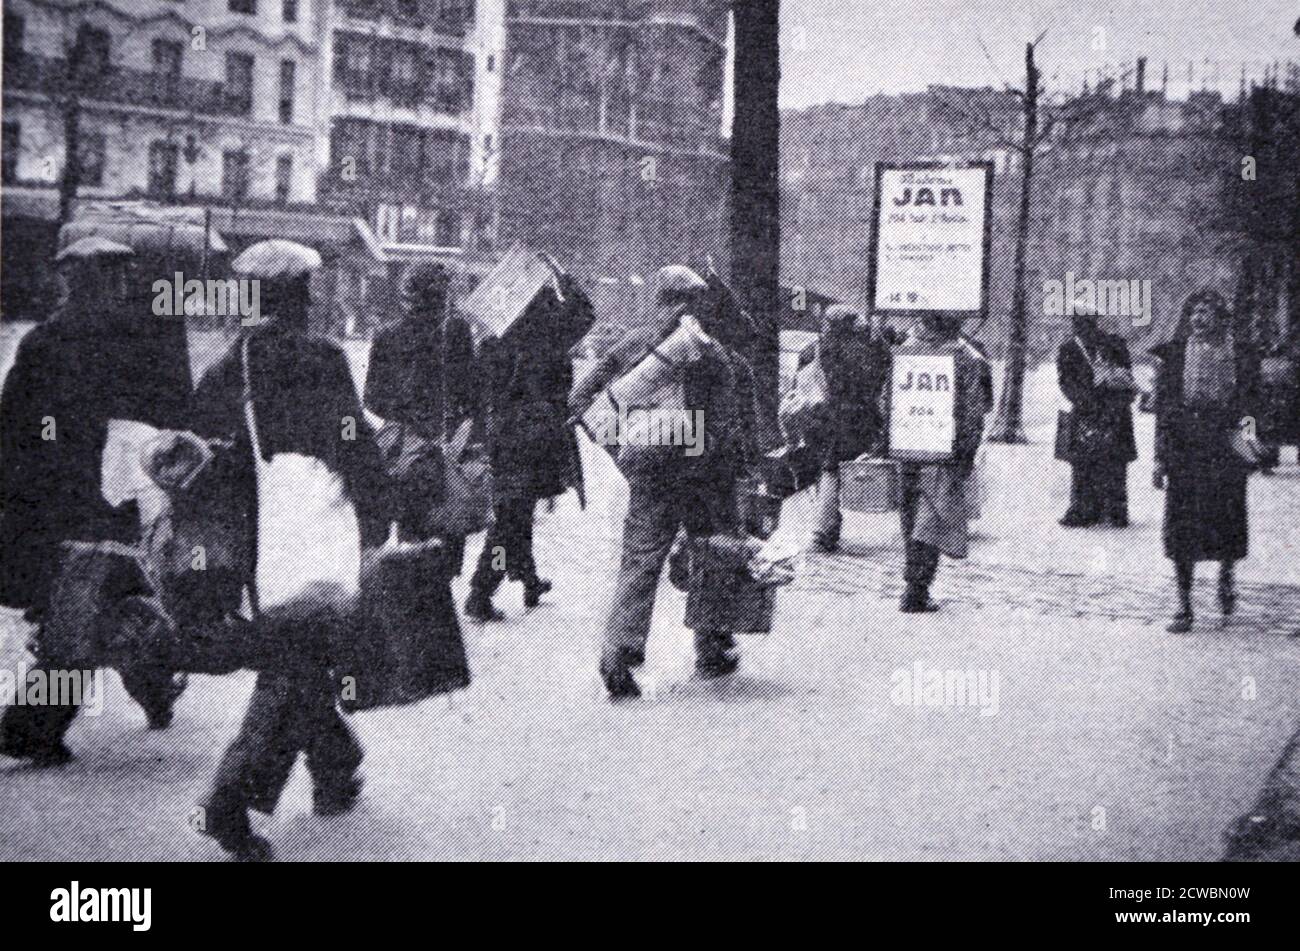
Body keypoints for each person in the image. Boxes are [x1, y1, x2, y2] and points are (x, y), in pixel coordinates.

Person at [188, 248, 388, 860]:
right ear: (297, 293)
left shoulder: (229, 368)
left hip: (257, 547)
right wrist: (379, 521)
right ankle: (228, 801)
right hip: (317, 535)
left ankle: (336, 765)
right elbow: (353, 442)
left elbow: (204, 460)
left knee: (300, 650)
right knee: (298, 660)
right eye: (307, 287)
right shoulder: (321, 357)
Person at [0, 240, 188, 767]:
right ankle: (29, 728)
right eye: (116, 276)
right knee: (87, 612)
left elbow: (12, 419)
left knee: (114, 599)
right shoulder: (124, 341)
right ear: (91, 282)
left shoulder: (45, 341)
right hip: (99, 499)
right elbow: (165, 406)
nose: (125, 285)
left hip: (65, 496)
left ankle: (153, 686)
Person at [570, 265, 761, 698]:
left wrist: (626, 450)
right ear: (695, 303)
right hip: (704, 477)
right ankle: (712, 648)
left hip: (652, 473)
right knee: (713, 553)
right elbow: (725, 425)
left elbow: (582, 399)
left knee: (639, 562)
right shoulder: (713, 353)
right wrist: (710, 458)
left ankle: (617, 656)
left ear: (659, 299)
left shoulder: (632, 345)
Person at [465, 269, 593, 621]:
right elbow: (584, 313)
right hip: (537, 436)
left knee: (516, 509)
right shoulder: (550, 335)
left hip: (503, 436)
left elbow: (477, 390)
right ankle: (481, 591)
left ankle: (529, 579)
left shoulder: (493, 342)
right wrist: (566, 279)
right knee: (511, 518)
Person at [1150, 289, 1260, 634]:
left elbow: (1251, 408)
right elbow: (1164, 412)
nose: (1198, 319)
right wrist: (1159, 458)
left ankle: (1226, 574)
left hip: (1226, 447)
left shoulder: (1240, 356)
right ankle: (1184, 604)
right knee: (1182, 525)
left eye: (1206, 312)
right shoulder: (1175, 356)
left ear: (1220, 318)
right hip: (1186, 448)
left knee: (1226, 517)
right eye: (1194, 312)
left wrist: (1250, 447)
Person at [365, 262, 478, 572]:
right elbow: (472, 394)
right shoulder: (457, 332)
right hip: (449, 451)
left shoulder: (386, 335)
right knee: (447, 541)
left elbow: (372, 400)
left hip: (408, 455)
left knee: (413, 547)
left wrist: (405, 417)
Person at [888, 313, 986, 613]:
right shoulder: (966, 358)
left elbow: (885, 400)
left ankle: (914, 584)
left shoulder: (903, 352)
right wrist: (966, 455)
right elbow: (974, 412)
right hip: (943, 452)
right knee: (930, 519)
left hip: (907, 447)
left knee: (910, 517)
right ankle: (916, 589)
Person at [810, 304, 890, 553]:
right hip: (864, 416)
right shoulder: (864, 349)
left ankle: (825, 528)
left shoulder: (826, 347)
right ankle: (827, 527)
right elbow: (882, 371)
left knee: (830, 469)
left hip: (834, 415)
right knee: (842, 467)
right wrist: (878, 340)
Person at [1056, 310, 1138, 527]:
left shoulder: (1105, 345)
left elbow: (1066, 383)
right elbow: (1067, 383)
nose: (1082, 327)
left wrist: (1087, 403)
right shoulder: (1074, 349)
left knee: (1097, 463)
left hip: (1101, 412)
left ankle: (1095, 509)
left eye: (1084, 322)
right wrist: (1092, 404)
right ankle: (1103, 510)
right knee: (1098, 463)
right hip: (1102, 412)